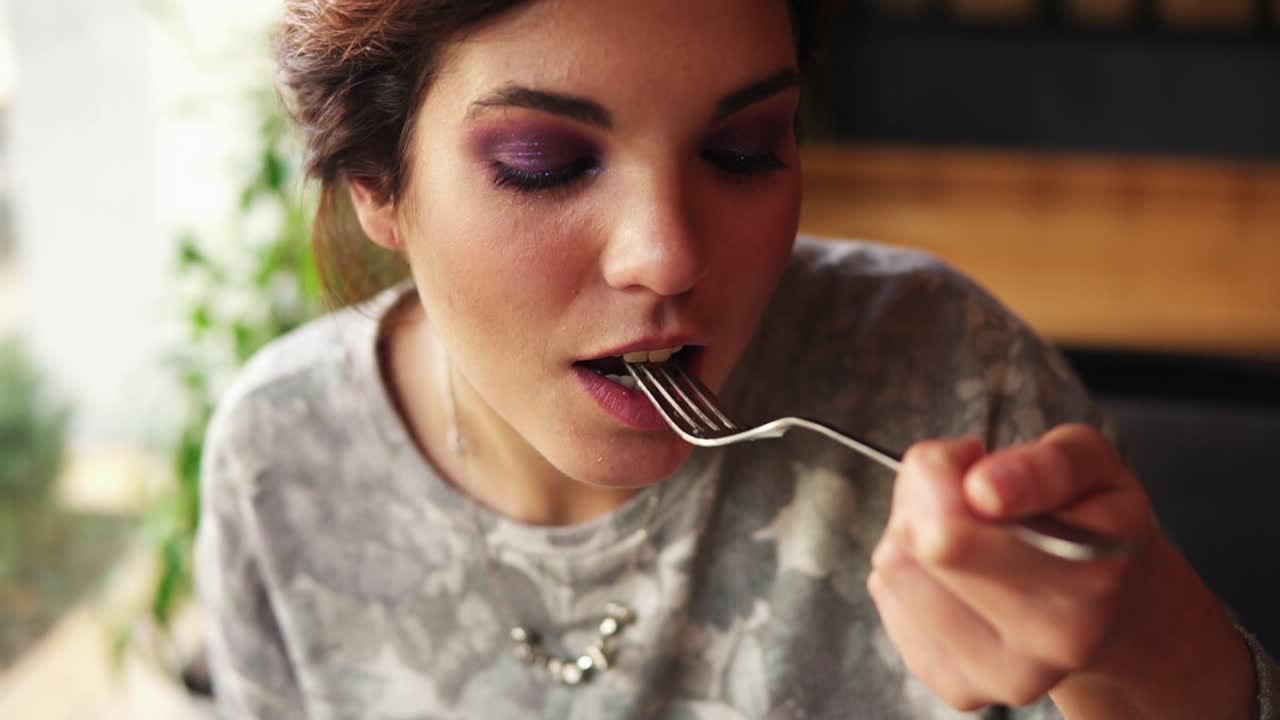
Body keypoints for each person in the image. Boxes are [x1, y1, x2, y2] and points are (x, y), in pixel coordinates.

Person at [194, 1, 1278, 718]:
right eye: (544, 162)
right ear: (376, 183)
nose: (666, 253)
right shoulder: (281, 457)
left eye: (742, 151)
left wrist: (1138, 641)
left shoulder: (941, 371)